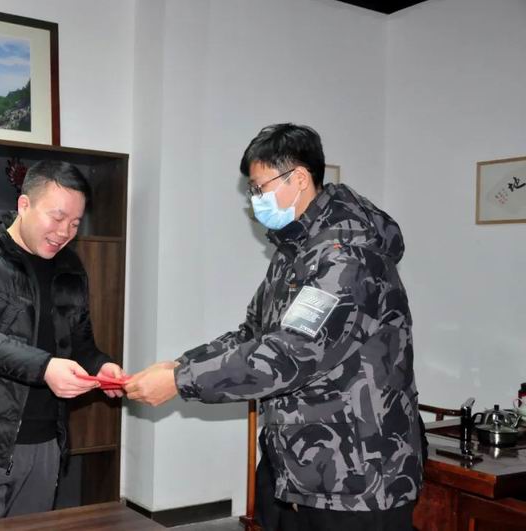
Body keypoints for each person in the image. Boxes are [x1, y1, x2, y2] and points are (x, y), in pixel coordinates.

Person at [125, 123, 422, 531]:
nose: (254, 200)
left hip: (358, 476)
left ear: (299, 178)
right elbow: (253, 333)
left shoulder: (346, 256)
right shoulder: (296, 252)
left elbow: (290, 353)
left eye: (259, 187)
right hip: (306, 465)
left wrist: (181, 382)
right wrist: (179, 365)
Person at [0, 160, 124, 527]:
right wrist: (44, 367)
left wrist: (102, 366)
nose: (65, 232)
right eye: (57, 217)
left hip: (46, 443)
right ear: (24, 205)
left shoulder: (70, 267)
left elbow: (80, 344)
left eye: (75, 223)